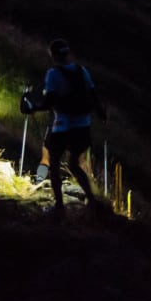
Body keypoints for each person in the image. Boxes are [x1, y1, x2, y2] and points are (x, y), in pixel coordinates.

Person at [42, 38, 106, 214]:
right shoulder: (81, 70)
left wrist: (35, 106)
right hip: (83, 125)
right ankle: (92, 200)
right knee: (74, 163)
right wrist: (100, 111)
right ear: (67, 54)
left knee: (53, 163)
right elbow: (93, 93)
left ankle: (59, 206)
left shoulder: (53, 74)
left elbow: (49, 100)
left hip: (62, 125)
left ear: (53, 55)